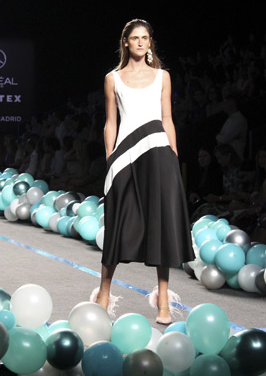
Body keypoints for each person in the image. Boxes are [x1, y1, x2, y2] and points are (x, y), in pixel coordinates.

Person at [96, 19, 193, 325]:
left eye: (145, 38)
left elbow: (167, 118)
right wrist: (110, 158)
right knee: (118, 222)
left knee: (159, 223)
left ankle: (163, 300)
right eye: (135, 38)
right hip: (124, 157)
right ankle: (103, 295)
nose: (140, 42)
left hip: (159, 154)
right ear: (125, 42)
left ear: (150, 42)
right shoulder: (112, 79)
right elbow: (111, 121)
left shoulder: (163, 77)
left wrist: (173, 157)